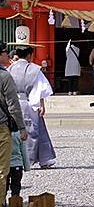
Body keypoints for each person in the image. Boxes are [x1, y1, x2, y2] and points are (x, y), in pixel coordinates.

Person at [7, 28, 55, 168]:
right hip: (29, 103)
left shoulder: (9, 69)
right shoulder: (35, 69)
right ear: (29, 54)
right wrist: (41, 104)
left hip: (14, 103)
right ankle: (37, 159)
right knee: (34, 131)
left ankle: (17, 159)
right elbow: (41, 89)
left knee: (15, 133)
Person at [0, 40, 27, 207]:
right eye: (4, 53)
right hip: (1, 127)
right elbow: (13, 105)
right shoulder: (4, 76)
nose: (7, 56)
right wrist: (22, 127)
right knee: (2, 171)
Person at [6, 126, 30, 201]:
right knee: (16, 186)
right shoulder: (19, 134)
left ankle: (2, 205)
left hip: (4, 164)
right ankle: (15, 204)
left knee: (4, 186)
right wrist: (27, 166)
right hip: (17, 164)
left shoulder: (3, 134)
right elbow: (24, 151)